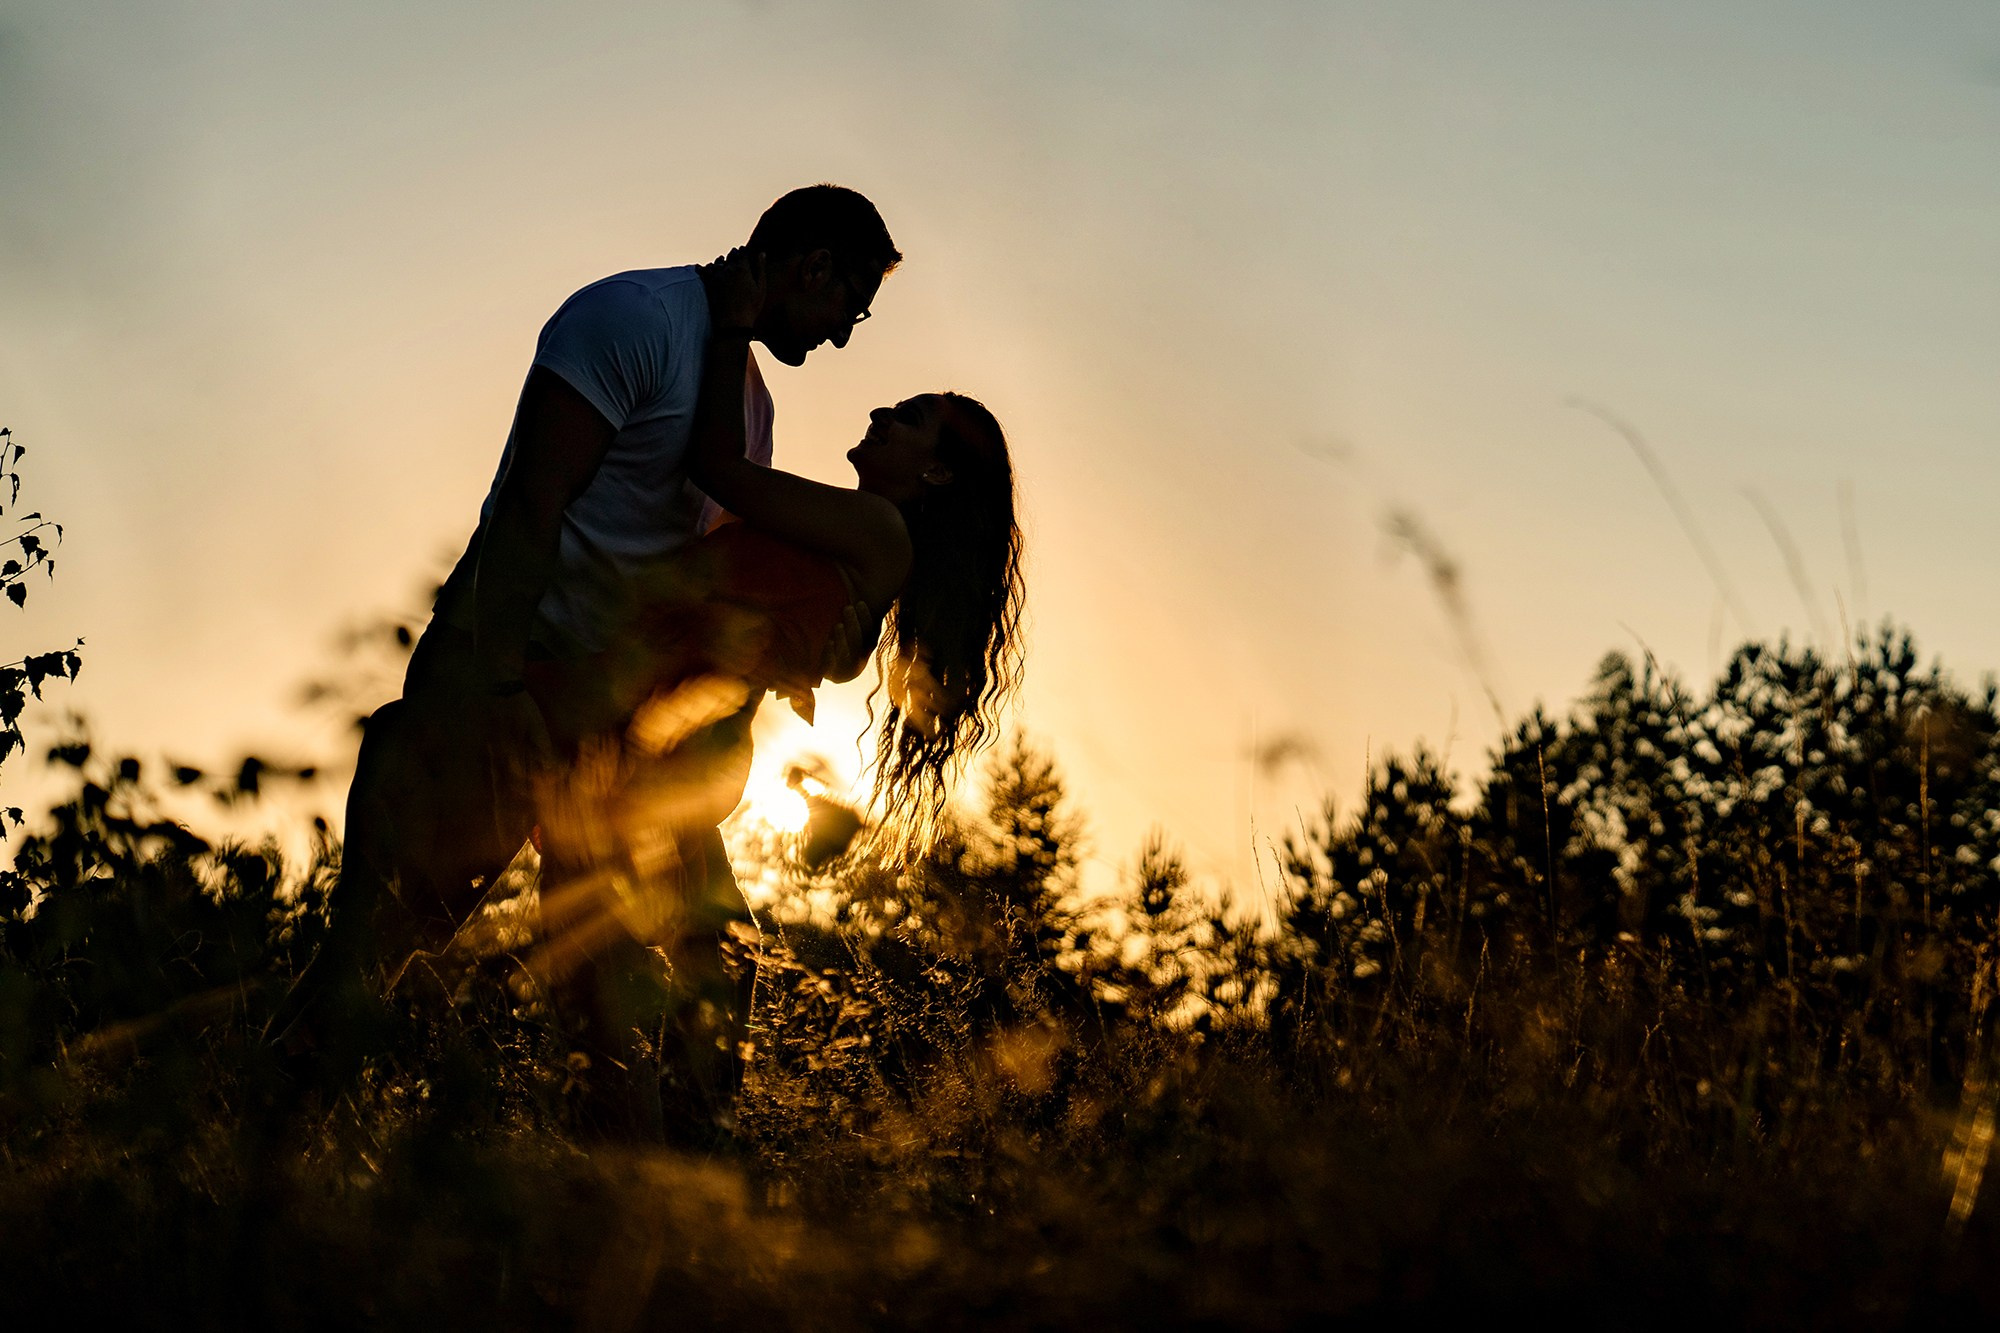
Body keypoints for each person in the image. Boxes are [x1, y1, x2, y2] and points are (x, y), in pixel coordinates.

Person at [269, 186, 899, 1054]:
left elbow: (692, 579)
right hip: (502, 660)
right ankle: (258, 1127)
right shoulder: (629, 318)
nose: (839, 336)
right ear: (815, 265)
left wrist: (799, 642)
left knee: (689, 962)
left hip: (600, 714)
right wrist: (499, 687)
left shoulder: (751, 410)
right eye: (847, 310)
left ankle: (645, 1165)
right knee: (391, 938)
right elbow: (531, 509)